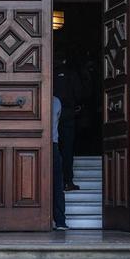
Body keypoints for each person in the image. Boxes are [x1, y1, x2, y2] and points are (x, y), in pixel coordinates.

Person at [53, 54, 84, 191]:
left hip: (51, 113)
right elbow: (79, 93)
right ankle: (67, 181)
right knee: (67, 149)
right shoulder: (71, 74)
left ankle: (52, 181)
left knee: (54, 147)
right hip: (68, 114)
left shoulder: (49, 74)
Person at [51, 95, 68, 231]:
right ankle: (60, 221)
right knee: (57, 184)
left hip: (52, 144)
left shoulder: (56, 101)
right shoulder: (56, 101)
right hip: (52, 144)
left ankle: (60, 220)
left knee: (57, 183)